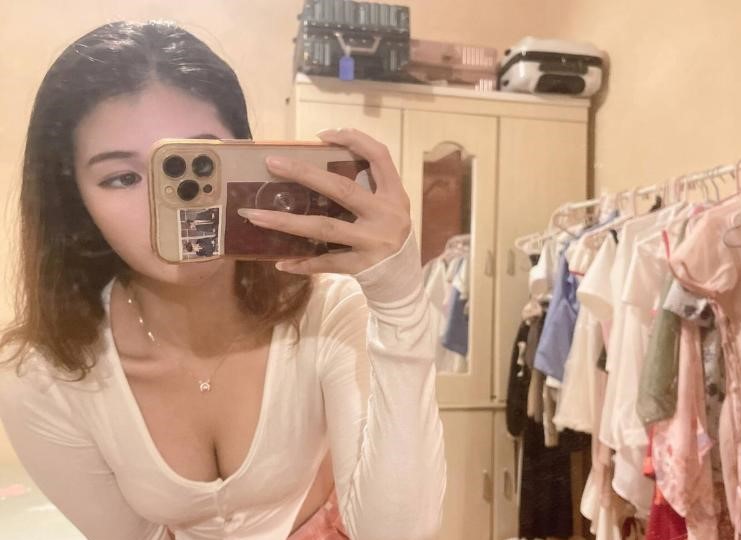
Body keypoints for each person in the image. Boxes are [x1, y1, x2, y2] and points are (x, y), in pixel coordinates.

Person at [0, 19, 446, 540]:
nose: (171, 204)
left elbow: (397, 533)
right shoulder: (42, 375)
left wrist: (399, 304)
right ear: (76, 200)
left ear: (247, 157)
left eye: (199, 164)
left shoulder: (326, 308)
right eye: (122, 177)